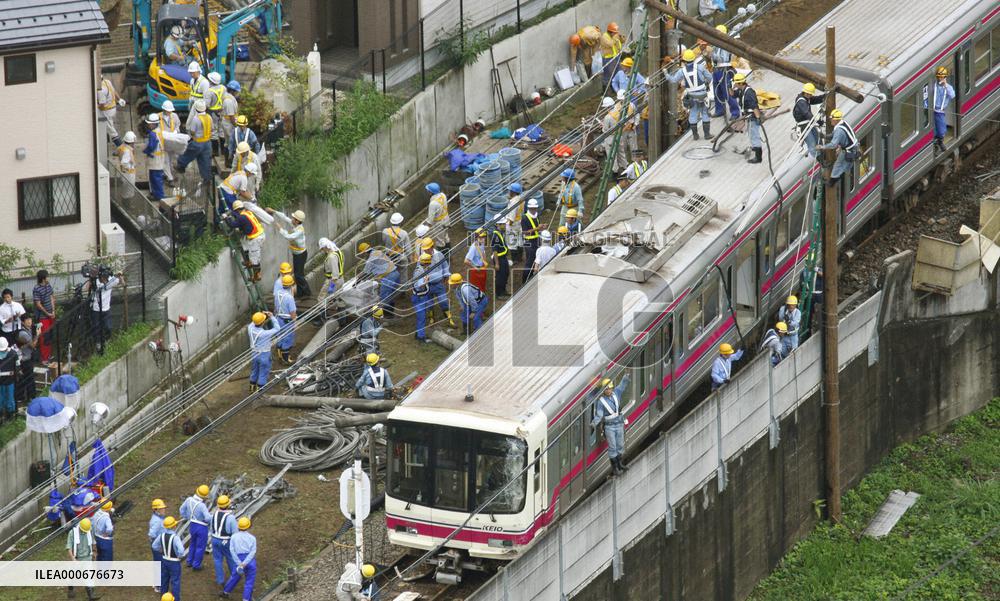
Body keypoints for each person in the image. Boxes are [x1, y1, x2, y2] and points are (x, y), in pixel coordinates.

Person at [668, 50, 714, 141]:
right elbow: (710, 77)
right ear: (694, 58)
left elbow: (673, 80)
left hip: (692, 96)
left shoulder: (682, 71)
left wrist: (666, 74)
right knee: (704, 113)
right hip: (702, 94)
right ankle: (707, 134)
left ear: (684, 61)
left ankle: (695, 135)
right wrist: (706, 83)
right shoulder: (700, 67)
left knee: (693, 114)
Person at [591, 375, 631, 475]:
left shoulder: (616, 393)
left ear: (612, 388)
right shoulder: (601, 402)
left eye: (610, 388)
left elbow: (622, 385)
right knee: (612, 447)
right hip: (609, 426)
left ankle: (620, 463)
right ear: (604, 390)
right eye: (606, 389)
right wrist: (594, 423)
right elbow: (599, 414)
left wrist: (626, 376)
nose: (608, 390)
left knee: (620, 445)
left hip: (619, 424)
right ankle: (615, 468)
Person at [270, 209, 311, 297]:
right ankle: (300, 293)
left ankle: (307, 293)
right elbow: (285, 217)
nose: (292, 219)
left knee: (298, 275)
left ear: (297, 221)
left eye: (294, 218)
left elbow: (289, 237)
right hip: (296, 254)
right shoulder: (294, 224)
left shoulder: (300, 230)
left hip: (301, 254)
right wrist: (274, 211)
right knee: (297, 274)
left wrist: (280, 228)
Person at [225, 200, 269, 282]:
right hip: (259, 234)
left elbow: (232, 225)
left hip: (256, 238)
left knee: (255, 258)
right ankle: (248, 261)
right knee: (244, 243)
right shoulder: (247, 212)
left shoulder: (242, 217)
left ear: (237, 210)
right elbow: (244, 222)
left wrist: (226, 218)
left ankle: (257, 276)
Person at [818, 108, 859, 186]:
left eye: (832, 119)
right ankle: (838, 176)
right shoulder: (842, 123)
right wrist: (824, 136)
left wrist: (822, 147)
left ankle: (832, 182)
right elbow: (834, 135)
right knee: (844, 165)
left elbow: (833, 144)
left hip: (849, 150)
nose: (830, 121)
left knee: (838, 165)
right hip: (853, 148)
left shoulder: (839, 130)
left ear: (836, 120)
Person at [176, 99, 214, 184]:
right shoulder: (209, 117)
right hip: (207, 143)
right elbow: (212, 129)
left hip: (198, 142)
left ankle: (181, 166)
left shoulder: (196, 119)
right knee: (205, 161)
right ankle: (206, 178)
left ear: (196, 109)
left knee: (188, 154)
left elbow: (192, 131)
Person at [358, 243, 401, 317]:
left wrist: (357, 281)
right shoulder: (378, 252)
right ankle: (391, 314)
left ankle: (388, 317)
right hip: (396, 273)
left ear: (364, 253)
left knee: (384, 298)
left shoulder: (370, 259)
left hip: (389, 277)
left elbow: (365, 273)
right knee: (390, 295)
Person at [221, 517, 257, 601]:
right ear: (248, 526)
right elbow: (253, 552)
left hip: (238, 559)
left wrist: (239, 563)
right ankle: (246, 599)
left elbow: (232, 550)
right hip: (250, 560)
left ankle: (226, 592)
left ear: (238, 526)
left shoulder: (233, 537)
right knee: (249, 581)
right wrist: (245, 562)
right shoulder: (252, 538)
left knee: (235, 576)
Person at [710, 25, 741, 120]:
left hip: (724, 70)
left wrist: (712, 55)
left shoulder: (725, 45)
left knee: (727, 92)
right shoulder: (716, 43)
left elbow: (722, 58)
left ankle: (735, 112)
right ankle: (720, 110)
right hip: (716, 70)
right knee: (717, 91)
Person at [67, 517, 100, 601]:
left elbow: (93, 541)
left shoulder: (89, 529)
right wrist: (73, 558)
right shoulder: (72, 533)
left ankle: (91, 595)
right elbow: (69, 547)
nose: (86, 532)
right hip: (77, 558)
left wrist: (94, 551)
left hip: (87, 557)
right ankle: (70, 589)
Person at [733, 73, 763, 164]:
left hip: (753, 117)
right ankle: (755, 148)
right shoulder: (741, 90)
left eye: (736, 83)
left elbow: (754, 106)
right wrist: (729, 87)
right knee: (751, 134)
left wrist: (758, 117)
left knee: (754, 135)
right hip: (748, 116)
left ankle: (758, 158)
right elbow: (733, 95)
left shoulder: (749, 92)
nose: (735, 85)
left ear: (740, 83)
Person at [179, 485, 211, 570]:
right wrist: (209, 520)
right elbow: (207, 518)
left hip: (192, 525)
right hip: (202, 527)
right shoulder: (202, 505)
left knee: (192, 543)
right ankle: (196, 565)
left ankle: (189, 561)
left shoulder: (188, 500)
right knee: (200, 547)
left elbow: (181, 510)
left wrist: (187, 517)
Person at [88, 270, 121, 352]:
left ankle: (107, 342)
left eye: (106, 277)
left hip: (106, 309)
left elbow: (121, 282)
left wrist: (119, 275)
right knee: (96, 328)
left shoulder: (111, 279)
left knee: (108, 327)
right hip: (96, 309)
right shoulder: (96, 281)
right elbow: (89, 288)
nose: (104, 279)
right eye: (102, 277)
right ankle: (98, 344)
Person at [154, 516, 185, 601]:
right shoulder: (175, 538)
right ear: (173, 526)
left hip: (164, 560)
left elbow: (154, 546)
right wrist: (179, 555)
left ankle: (163, 597)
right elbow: (181, 551)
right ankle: (176, 599)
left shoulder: (161, 535)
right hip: (174, 562)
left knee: (164, 580)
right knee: (175, 582)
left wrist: (161, 550)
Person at [211, 496, 238, 593]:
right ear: (228, 504)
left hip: (215, 539)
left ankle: (220, 580)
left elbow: (211, 527)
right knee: (230, 558)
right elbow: (235, 532)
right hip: (226, 540)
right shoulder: (230, 517)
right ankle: (234, 576)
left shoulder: (214, 514)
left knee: (217, 560)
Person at [247, 311, 279, 392]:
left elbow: (254, 321)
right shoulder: (264, 333)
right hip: (264, 355)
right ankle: (260, 391)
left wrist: (260, 314)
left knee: (254, 370)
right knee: (263, 372)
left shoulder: (250, 328)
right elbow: (277, 328)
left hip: (254, 353)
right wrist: (271, 316)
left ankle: (252, 388)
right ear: (263, 322)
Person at [422, 239, 451, 323]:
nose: (426, 250)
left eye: (427, 249)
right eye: (424, 249)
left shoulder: (439, 255)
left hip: (439, 284)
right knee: (429, 302)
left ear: (432, 247)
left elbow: (445, 266)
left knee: (443, 301)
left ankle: (448, 317)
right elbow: (419, 271)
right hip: (428, 285)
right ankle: (431, 317)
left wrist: (446, 277)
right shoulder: (422, 257)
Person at [793, 83, 825, 158]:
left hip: (809, 123)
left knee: (818, 140)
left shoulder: (807, 98)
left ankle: (823, 155)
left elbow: (816, 99)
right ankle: (820, 159)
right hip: (803, 126)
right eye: (809, 94)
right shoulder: (801, 102)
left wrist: (826, 96)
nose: (810, 95)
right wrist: (817, 121)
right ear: (805, 92)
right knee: (812, 144)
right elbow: (807, 114)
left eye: (811, 94)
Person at [931, 66, 956, 153]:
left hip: (940, 111)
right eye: (939, 77)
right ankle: (935, 143)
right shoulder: (934, 86)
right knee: (933, 128)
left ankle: (940, 141)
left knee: (941, 129)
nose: (940, 78)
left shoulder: (948, 87)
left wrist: (945, 85)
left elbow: (952, 95)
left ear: (945, 77)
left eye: (942, 77)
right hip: (932, 110)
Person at [32, 270, 55, 363]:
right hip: (41, 317)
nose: (48, 278)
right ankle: (44, 358)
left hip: (51, 315)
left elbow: (52, 297)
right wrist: (47, 313)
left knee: (49, 336)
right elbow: (38, 304)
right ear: (43, 278)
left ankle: (48, 355)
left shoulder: (48, 286)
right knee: (43, 337)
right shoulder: (36, 288)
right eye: (47, 277)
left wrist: (53, 311)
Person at [382, 213, 413, 284]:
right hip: (401, 257)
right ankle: (402, 290)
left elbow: (384, 241)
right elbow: (408, 249)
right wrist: (410, 259)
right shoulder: (404, 233)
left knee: (392, 273)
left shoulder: (385, 231)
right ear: (400, 222)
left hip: (389, 257)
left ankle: (393, 288)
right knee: (403, 275)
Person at [96, 74, 126, 146]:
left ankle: (121, 147)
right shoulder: (107, 81)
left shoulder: (101, 90)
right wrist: (119, 99)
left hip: (107, 111)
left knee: (112, 131)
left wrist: (94, 107)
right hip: (113, 108)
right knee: (107, 126)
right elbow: (114, 91)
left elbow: (102, 105)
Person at [143, 114, 168, 200]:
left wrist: (145, 151)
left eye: (149, 124)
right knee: (156, 177)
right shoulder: (159, 131)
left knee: (155, 178)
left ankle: (159, 196)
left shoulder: (152, 134)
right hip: (160, 157)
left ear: (153, 124)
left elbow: (151, 146)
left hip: (155, 159)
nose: (148, 125)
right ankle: (156, 194)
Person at [600, 96, 626, 173]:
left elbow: (605, 130)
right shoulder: (619, 111)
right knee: (621, 152)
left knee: (612, 156)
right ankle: (625, 166)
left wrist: (602, 126)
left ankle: (615, 171)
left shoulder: (607, 117)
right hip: (619, 135)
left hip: (610, 138)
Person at [274, 275, 297, 364]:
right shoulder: (289, 297)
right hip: (287, 320)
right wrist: (295, 322)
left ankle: (280, 356)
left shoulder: (278, 293)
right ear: (291, 285)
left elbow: (276, 308)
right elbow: (292, 313)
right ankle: (286, 359)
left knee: (280, 337)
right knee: (287, 338)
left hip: (279, 318)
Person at [158, 100, 182, 183]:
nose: (170, 112)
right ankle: (170, 178)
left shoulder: (174, 116)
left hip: (172, 141)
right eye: (168, 111)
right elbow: (155, 130)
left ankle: (168, 173)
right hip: (163, 142)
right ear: (164, 110)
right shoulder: (158, 117)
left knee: (171, 159)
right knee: (165, 160)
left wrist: (176, 131)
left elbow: (178, 125)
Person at [412, 254, 434, 342]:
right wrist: (426, 281)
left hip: (422, 297)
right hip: (419, 297)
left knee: (422, 317)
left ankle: (418, 333)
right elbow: (418, 285)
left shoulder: (423, 269)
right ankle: (421, 337)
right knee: (421, 317)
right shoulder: (419, 271)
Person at [425, 183, 451, 251]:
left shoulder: (433, 204)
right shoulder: (443, 195)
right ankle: (449, 254)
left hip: (439, 223)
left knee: (440, 241)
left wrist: (426, 227)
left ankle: (443, 257)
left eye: (428, 191)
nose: (427, 192)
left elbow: (430, 219)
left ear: (431, 192)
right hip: (446, 219)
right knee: (446, 237)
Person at [521, 198, 541, 283]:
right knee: (529, 262)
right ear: (529, 208)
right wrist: (537, 228)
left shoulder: (537, 216)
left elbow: (536, 228)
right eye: (532, 208)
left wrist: (541, 228)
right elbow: (525, 232)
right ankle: (525, 280)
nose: (534, 210)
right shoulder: (525, 218)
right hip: (529, 243)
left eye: (535, 208)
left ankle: (531, 277)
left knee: (535, 260)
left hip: (536, 241)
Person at [149, 499, 167, 592]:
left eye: (163, 508)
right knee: (160, 565)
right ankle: (158, 585)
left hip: (157, 544)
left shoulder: (158, 518)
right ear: (156, 510)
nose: (164, 510)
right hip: (158, 545)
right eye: (161, 508)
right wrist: (158, 545)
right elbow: (151, 534)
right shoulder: (157, 521)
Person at [465, 229, 489, 293]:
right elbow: (466, 261)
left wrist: (484, 261)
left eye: (484, 237)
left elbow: (483, 251)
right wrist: (475, 267)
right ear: (476, 237)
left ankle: (482, 295)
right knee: (476, 288)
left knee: (482, 284)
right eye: (480, 237)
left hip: (482, 267)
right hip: (476, 270)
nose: (483, 239)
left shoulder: (482, 243)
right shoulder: (473, 247)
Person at [0, 338, 19, 424]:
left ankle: (10, 415)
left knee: (10, 397)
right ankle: (1, 415)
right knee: (1, 398)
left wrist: (16, 373)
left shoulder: (13, 354)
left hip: (10, 381)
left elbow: (18, 365)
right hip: (0, 381)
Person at [600, 22, 624, 87]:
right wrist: (615, 38)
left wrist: (621, 37)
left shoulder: (614, 36)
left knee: (617, 73)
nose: (616, 33)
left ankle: (615, 87)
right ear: (611, 32)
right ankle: (606, 90)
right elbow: (610, 44)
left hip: (616, 57)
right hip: (608, 59)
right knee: (608, 75)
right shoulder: (604, 37)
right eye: (615, 32)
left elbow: (622, 42)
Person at [221, 81, 241, 157]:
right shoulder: (229, 101)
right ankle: (229, 160)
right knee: (230, 142)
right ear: (232, 91)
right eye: (236, 91)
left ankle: (227, 160)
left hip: (227, 122)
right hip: (229, 123)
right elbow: (231, 116)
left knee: (228, 141)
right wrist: (236, 125)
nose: (237, 93)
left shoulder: (228, 96)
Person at [491, 221, 510, 298]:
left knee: (506, 273)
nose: (505, 225)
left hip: (503, 257)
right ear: (498, 224)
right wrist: (497, 263)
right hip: (499, 259)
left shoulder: (500, 233)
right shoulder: (495, 236)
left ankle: (503, 290)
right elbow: (495, 251)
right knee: (500, 276)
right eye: (503, 224)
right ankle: (498, 293)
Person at [118, 131, 137, 197]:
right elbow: (124, 162)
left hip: (125, 173)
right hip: (128, 174)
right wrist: (132, 164)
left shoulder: (123, 147)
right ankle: (127, 205)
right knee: (128, 193)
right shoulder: (127, 151)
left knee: (126, 191)